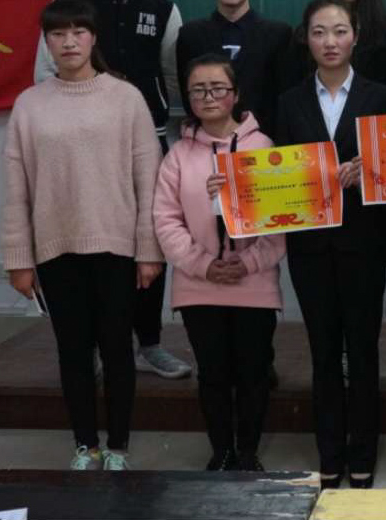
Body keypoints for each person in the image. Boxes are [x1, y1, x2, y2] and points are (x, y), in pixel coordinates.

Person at [1, 0, 164, 471]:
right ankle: (84, 445)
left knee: (117, 349)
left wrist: (149, 250)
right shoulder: (30, 104)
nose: (68, 42)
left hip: (117, 247)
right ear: (47, 42)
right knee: (72, 351)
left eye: (78, 32)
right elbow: (15, 187)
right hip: (56, 250)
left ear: (94, 38)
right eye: (58, 34)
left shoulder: (125, 98)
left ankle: (118, 447)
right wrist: (18, 259)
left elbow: (148, 180)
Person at [33, 0, 190, 382]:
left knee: (149, 241)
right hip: (82, 149)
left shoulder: (162, 10)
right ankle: (99, 346)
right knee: (91, 246)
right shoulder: (69, 4)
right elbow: (44, 76)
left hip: (150, 144)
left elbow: (174, 77)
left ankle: (150, 344)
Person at [274, 0, 386, 490]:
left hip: (364, 242)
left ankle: (363, 453)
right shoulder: (289, 101)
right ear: (306, 39)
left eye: (340, 31)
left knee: (363, 352)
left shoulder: (381, 96)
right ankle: (330, 453)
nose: (330, 42)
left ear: (356, 36)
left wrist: (370, 170)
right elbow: (279, 173)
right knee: (323, 352)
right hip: (310, 248)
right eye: (319, 32)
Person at [152, 54, 285, 472]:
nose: (208, 97)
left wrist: (249, 262)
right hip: (198, 284)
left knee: (253, 371)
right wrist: (203, 264)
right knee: (212, 373)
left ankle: (247, 452)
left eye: (217, 88)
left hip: (254, 282)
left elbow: (282, 217)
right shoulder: (178, 155)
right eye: (198, 90)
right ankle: (221, 451)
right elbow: (166, 220)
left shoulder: (264, 147)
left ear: (236, 94)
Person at [175, 0, 291, 137]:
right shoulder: (190, 35)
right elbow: (189, 96)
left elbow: (285, 99)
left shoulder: (279, 35)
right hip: (208, 141)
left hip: (264, 143)